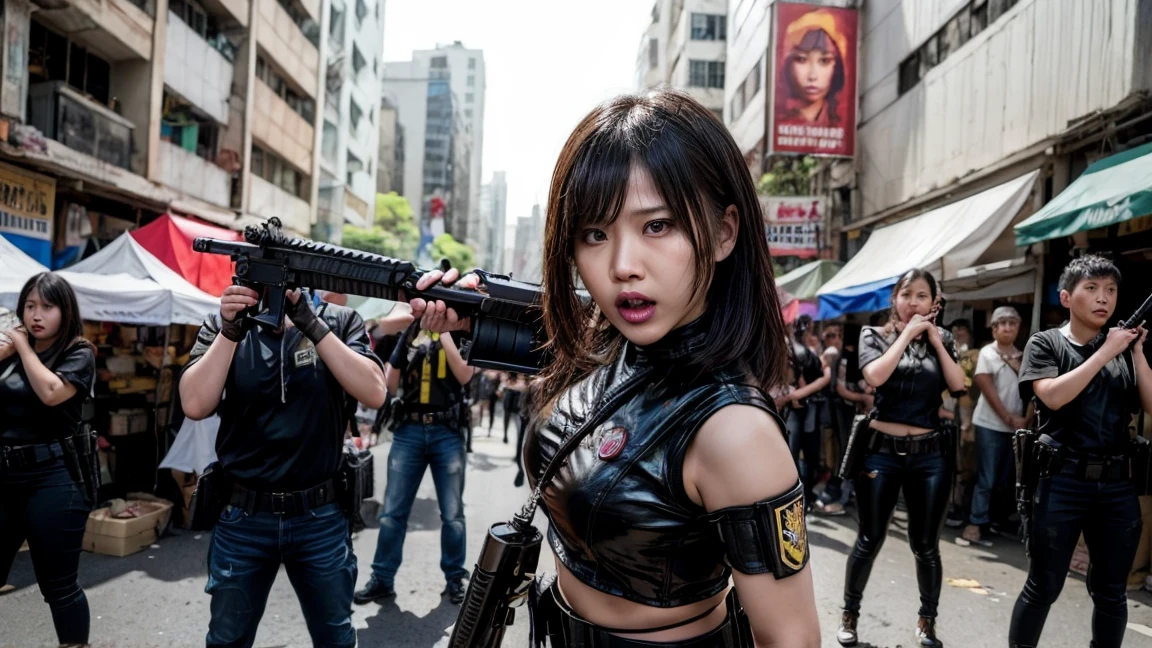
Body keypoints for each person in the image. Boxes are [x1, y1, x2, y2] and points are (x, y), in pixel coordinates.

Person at [406, 89, 821, 646]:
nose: (623, 266)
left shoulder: (734, 432)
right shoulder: (610, 345)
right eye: (595, 235)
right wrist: (471, 315)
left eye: (658, 226)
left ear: (723, 233)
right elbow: (558, 341)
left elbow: (791, 640)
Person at [180, 287, 386, 648]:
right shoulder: (225, 324)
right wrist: (230, 330)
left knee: (335, 638)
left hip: (319, 516)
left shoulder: (339, 321)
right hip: (243, 516)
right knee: (227, 639)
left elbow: (375, 392)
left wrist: (311, 322)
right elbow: (195, 403)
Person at [1009, 255, 1152, 648]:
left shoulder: (1123, 348)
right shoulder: (1046, 342)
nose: (1103, 299)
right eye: (1092, 289)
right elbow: (1052, 397)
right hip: (1062, 481)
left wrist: (1136, 353)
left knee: (1111, 593)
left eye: (1110, 290)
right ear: (1067, 297)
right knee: (1044, 587)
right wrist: (1105, 352)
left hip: (1117, 485)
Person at [837, 268, 967, 648]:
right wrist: (907, 334)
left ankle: (927, 622)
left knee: (926, 545)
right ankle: (849, 613)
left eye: (923, 296)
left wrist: (935, 340)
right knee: (869, 538)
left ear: (934, 303)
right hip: (880, 455)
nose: (914, 302)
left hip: (931, 456)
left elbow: (958, 385)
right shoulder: (872, 336)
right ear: (895, 298)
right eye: (907, 294)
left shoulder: (943, 338)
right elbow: (874, 377)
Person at [0, 273, 96, 648]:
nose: (36, 315)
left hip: (55, 477)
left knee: (58, 585)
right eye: (30, 305)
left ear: (65, 310)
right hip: (5, 475)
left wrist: (23, 348)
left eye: (47, 306)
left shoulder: (78, 351)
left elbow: (53, 393)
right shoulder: (10, 351)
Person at [355, 321, 472, 606]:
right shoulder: (407, 335)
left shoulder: (460, 335)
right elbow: (388, 386)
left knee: (453, 514)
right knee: (392, 513)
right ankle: (382, 579)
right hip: (409, 431)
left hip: (447, 431)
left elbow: (465, 374)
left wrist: (444, 331)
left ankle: (455, 578)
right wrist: (406, 338)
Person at [961, 307, 1027, 546]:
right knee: (986, 477)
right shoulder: (988, 353)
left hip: (1015, 427)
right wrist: (1009, 418)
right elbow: (987, 390)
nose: (1008, 328)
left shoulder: (1023, 356)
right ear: (994, 328)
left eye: (1012, 323)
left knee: (1005, 478)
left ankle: (993, 520)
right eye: (1003, 323)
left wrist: (1023, 421)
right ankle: (975, 523)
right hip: (990, 424)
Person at [783, 315, 832, 507]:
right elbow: (821, 379)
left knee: (794, 455)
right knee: (805, 455)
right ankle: (804, 497)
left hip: (795, 408)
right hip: (802, 409)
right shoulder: (802, 352)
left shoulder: (793, 351)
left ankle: (796, 498)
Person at [778, 9, 849, 126]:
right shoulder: (778, 124)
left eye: (824, 61)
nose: (812, 76)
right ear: (788, 65)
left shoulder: (841, 124)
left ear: (837, 67)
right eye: (801, 59)